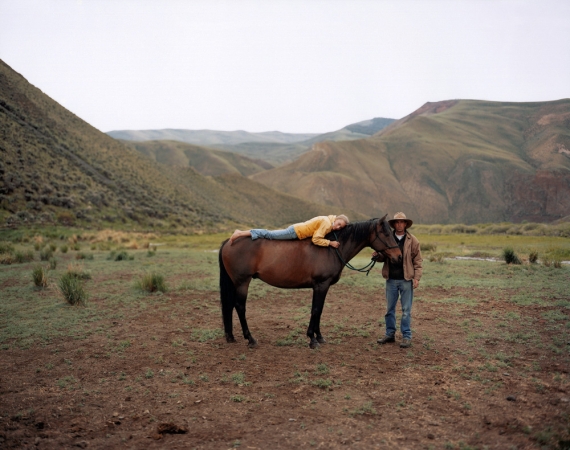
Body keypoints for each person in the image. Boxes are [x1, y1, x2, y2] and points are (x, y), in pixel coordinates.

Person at [372, 212, 423, 349]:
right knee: (389, 309)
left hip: (406, 279)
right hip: (391, 279)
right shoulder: (388, 239)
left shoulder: (413, 240)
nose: (399, 224)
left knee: (406, 310)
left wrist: (416, 278)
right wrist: (378, 256)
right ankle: (390, 334)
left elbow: (417, 261)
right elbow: (384, 257)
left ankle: (406, 336)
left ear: (405, 224)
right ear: (394, 224)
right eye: (397, 222)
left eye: (402, 222)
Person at [228, 215, 349, 248]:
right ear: (336, 219)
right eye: (339, 224)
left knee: (270, 234)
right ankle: (240, 233)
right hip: (295, 232)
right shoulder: (327, 224)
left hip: (297, 230)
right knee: (269, 234)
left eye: (340, 227)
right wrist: (330, 243)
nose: (338, 227)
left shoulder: (328, 220)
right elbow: (316, 239)